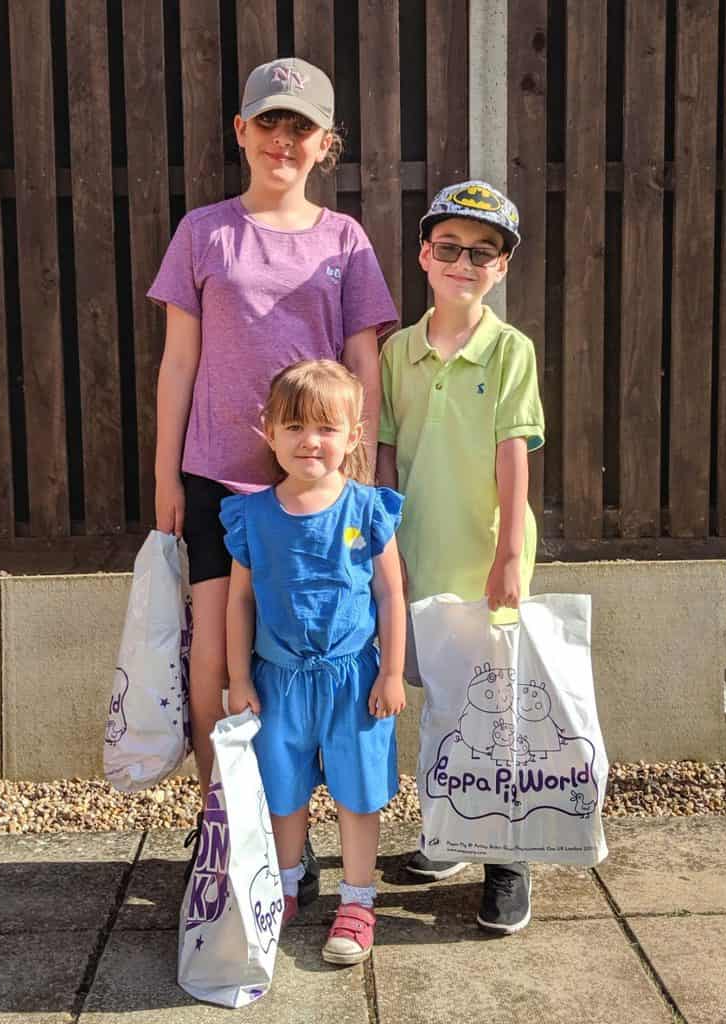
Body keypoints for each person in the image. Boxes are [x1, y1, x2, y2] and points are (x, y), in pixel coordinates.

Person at [147, 57, 398, 904]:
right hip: (224, 477)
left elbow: (364, 356)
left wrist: (371, 461)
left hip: (324, 493)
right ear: (241, 132)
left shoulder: (344, 241)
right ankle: (226, 823)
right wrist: (168, 474)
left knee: (322, 655)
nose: (283, 140)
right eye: (269, 123)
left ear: (326, 143)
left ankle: (319, 839)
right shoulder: (204, 232)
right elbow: (179, 362)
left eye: (302, 128)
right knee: (216, 658)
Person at [376, 180, 546, 934]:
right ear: (423, 255)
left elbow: (514, 452)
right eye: (449, 247)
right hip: (413, 555)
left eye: (482, 253)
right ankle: (448, 833)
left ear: (501, 268)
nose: (463, 263)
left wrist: (509, 552)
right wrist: (378, 544)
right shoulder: (394, 353)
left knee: (495, 708)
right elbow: (381, 455)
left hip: (486, 560)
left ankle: (509, 861)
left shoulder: (510, 350)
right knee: (440, 703)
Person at [222, 360, 407, 965]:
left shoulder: (367, 510)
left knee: (357, 792)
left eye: (327, 428)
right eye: (296, 426)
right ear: (268, 433)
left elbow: (389, 593)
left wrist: (391, 671)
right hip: (278, 682)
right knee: (283, 788)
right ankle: (284, 882)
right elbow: (240, 601)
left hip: (356, 679)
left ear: (354, 436)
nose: (310, 441)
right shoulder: (253, 516)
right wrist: (240, 678)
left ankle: (357, 901)